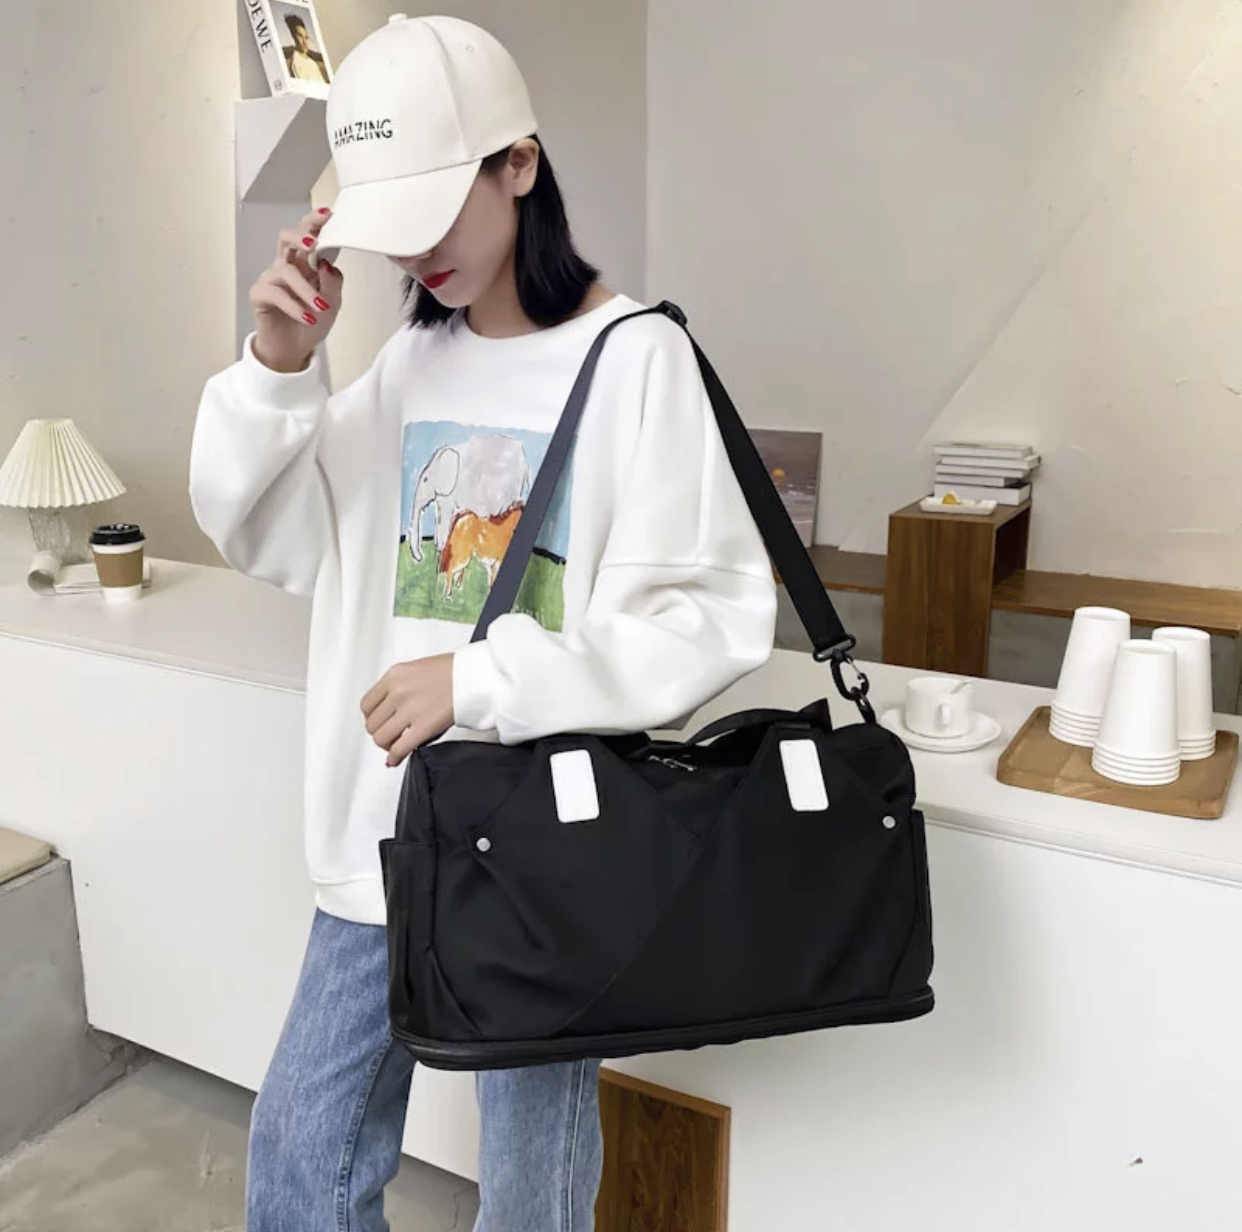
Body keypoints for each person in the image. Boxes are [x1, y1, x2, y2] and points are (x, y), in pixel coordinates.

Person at [190, 14, 775, 1232]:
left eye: (435, 209)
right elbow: (274, 538)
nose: (417, 254)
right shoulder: (408, 362)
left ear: (520, 163)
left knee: (528, 1194)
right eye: (391, 224)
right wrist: (278, 366)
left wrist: (479, 679)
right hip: (382, 835)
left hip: (544, 855)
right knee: (299, 1160)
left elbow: (709, 616)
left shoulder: (638, 359)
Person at [284, 14, 330, 84]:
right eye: (300, 36)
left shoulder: (312, 62)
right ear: (293, 36)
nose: (305, 42)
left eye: (306, 37)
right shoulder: (297, 62)